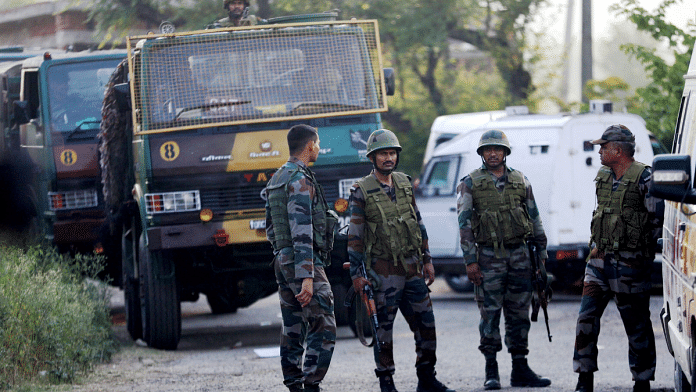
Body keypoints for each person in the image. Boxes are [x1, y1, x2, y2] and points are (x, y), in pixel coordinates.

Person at [347, 129, 455, 392]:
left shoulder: (406, 183)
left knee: (426, 325)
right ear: (372, 157)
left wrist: (427, 259)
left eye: (392, 153)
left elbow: (417, 223)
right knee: (383, 330)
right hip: (383, 272)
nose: (388, 158)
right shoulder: (362, 191)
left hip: (412, 269)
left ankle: (427, 378)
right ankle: (387, 381)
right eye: (383, 153)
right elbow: (355, 236)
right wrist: (358, 276)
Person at [456, 130, 551, 390]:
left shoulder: (521, 180)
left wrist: (541, 258)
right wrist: (470, 261)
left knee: (519, 314)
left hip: (520, 256)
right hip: (487, 257)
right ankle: (491, 370)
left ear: (505, 152)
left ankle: (520, 368)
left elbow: (535, 219)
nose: (493, 153)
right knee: (489, 314)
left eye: (498, 149)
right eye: (488, 149)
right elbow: (464, 224)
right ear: (482, 154)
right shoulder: (470, 183)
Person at [573, 125, 663, 392]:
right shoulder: (603, 175)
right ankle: (584, 378)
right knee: (585, 320)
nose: (599, 151)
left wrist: (641, 253)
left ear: (618, 150)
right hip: (598, 262)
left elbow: (657, 221)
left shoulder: (645, 177)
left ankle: (642, 380)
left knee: (636, 324)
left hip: (631, 264)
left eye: (603, 146)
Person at [265, 124, 337, 392]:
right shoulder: (300, 179)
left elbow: (270, 226)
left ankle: (295, 385)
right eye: (317, 144)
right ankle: (310, 385)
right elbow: (302, 229)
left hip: (283, 260)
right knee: (324, 323)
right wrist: (306, 275)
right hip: (302, 261)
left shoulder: (276, 178)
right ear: (310, 145)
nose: (318, 148)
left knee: (293, 325)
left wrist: (282, 258)